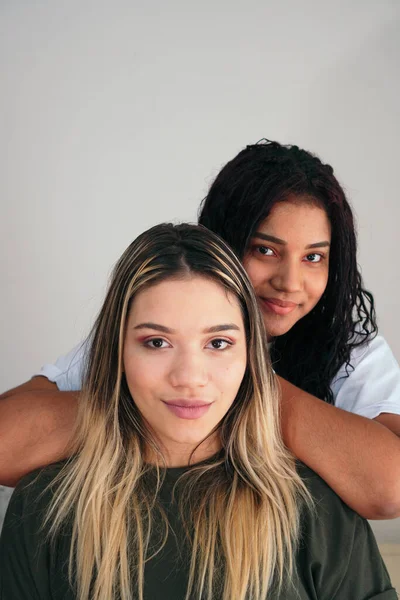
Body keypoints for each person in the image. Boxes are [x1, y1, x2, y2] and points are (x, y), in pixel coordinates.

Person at [1, 140, 400, 520]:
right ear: (220, 246)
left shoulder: (352, 349)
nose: (290, 282)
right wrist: (142, 403)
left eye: (313, 257)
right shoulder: (154, 330)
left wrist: (246, 388)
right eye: (265, 250)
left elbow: (390, 490)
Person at [0, 224, 396, 600]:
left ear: (252, 357)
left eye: (219, 343)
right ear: (117, 352)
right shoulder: (44, 506)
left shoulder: (318, 508)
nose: (189, 378)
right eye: (156, 342)